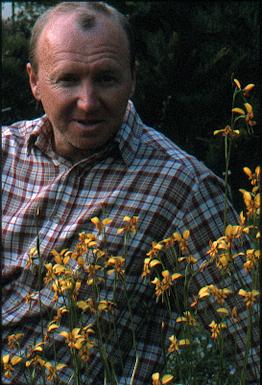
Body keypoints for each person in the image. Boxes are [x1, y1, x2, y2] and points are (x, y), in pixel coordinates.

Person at [2, 2, 259, 384]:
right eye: (68, 79)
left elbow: (250, 345)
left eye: (106, 78)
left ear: (133, 78)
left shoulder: (181, 187)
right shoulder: (5, 153)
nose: (88, 102)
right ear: (34, 82)